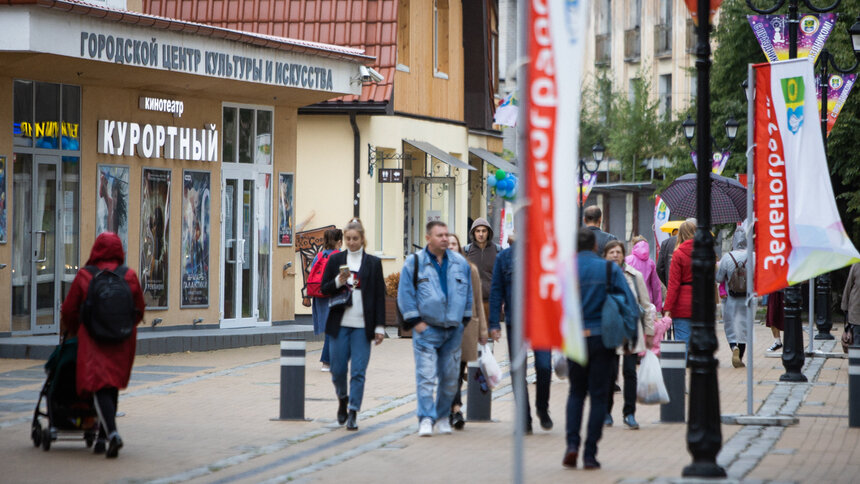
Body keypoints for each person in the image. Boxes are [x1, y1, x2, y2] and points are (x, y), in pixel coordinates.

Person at [60, 232, 145, 458]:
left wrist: (76, 329)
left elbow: (69, 310)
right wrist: (124, 327)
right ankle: (102, 437)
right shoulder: (129, 275)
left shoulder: (86, 276)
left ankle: (113, 433)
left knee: (99, 385)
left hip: (94, 339)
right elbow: (139, 309)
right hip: (122, 340)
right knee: (112, 385)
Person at [564, 228, 637, 470]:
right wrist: (630, 337)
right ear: (595, 245)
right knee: (597, 396)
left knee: (575, 393)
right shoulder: (609, 269)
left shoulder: (565, 269)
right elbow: (629, 304)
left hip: (575, 338)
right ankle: (590, 454)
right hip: (602, 338)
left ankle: (572, 445)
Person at [398, 221, 473, 437]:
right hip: (426, 330)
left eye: (446, 234)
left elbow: (467, 294)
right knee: (426, 376)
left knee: (450, 379)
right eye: (439, 235)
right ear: (428, 238)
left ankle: (442, 417)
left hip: (453, 330)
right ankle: (426, 418)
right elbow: (405, 295)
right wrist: (417, 323)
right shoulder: (414, 263)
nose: (444, 238)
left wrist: (464, 320)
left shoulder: (460, 263)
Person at [320, 219, 386, 431]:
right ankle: (342, 398)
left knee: (358, 371)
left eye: (355, 238)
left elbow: (379, 297)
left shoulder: (373, 264)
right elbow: (324, 288)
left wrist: (379, 327)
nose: (351, 242)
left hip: (362, 326)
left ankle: (353, 412)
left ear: (362, 238)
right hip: (340, 324)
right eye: (348, 239)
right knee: (338, 370)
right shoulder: (336, 259)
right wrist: (339, 281)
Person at [488, 234, 553, 433]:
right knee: (518, 370)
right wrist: (493, 324)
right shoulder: (505, 257)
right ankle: (525, 418)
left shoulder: (544, 256)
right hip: (515, 321)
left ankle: (542, 408)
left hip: (541, 321)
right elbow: (496, 289)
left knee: (544, 367)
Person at [603, 240, 654, 430]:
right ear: (605, 255)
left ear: (624, 255)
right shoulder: (602, 275)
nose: (615, 255)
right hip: (608, 332)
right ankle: (606, 412)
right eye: (611, 252)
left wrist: (649, 332)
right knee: (609, 373)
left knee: (630, 372)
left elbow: (646, 306)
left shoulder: (634, 276)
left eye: (618, 252)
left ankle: (629, 413)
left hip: (631, 331)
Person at [448, 233, 488, 430]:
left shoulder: (469, 269)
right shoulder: (436, 269)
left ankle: (454, 408)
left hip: (464, 328)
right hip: (443, 329)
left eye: (454, 244)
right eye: (448, 245)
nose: (451, 247)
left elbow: (478, 300)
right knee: (447, 370)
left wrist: (483, 329)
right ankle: (452, 408)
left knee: (457, 370)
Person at [715, 228, 749, 368]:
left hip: (730, 299)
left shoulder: (727, 257)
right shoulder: (753, 256)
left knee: (730, 326)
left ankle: (733, 346)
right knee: (743, 327)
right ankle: (740, 357)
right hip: (748, 299)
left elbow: (718, 278)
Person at [310, 228, 343, 371]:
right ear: (339, 242)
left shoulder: (319, 256)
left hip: (320, 296)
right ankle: (326, 361)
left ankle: (331, 360)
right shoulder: (340, 257)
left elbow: (311, 274)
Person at [663, 220, 697, 346]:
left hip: (682, 304)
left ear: (680, 234)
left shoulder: (678, 254)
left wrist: (667, 308)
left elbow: (674, 285)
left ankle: (682, 364)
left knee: (682, 342)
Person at [465, 218, 500, 322]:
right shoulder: (466, 251)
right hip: (472, 303)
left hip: (491, 302)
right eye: (478, 231)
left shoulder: (497, 250)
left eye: (484, 231)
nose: (481, 234)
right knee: (473, 336)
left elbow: (502, 278)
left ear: (488, 232)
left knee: (489, 337)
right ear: (473, 233)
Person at [625, 235, 663, 314]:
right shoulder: (651, 263)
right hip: (647, 301)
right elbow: (656, 286)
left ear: (634, 246)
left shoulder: (627, 260)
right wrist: (658, 306)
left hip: (630, 299)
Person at [656, 218, 696, 287]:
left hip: (672, 286)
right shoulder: (698, 244)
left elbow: (659, 267)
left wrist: (668, 283)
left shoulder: (666, 243)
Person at [842, 263, 860, 343]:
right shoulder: (857, 266)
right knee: (857, 344)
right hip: (856, 315)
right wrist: (845, 307)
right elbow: (848, 287)